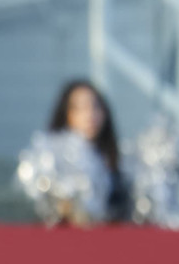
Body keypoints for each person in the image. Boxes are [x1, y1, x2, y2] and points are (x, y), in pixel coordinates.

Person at [36, 79, 127, 226]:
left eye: (95, 106)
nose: (90, 115)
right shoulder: (49, 162)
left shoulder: (117, 167)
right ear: (66, 114)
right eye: (80, 108)